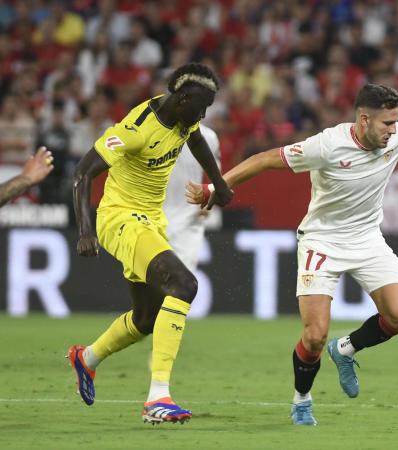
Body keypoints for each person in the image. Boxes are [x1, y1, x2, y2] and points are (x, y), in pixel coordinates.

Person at [186, 83, 398, 425]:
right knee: (314, 336)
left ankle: (346, 350)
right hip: (322, 241)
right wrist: (216, 186)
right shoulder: (327, 145)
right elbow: (265, 159)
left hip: (368, 240)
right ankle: (301, 400)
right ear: (363, 119)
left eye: (396, 122)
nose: (394, 130)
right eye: (387, 123)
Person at [68, 63, 233, 425]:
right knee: (185, 284)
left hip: (151, 221)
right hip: (120, 219)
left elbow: (196, 138)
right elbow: (82, 174)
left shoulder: (183, 116)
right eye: (201, 108)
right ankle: (158, 397)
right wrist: (85, 230)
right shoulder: (136, 129)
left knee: (146, 318)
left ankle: (87, 358)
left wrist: (218, 183)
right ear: (184, 98)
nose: (203, 116)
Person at [164, 123, 220, 273]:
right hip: (153, 215)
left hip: (189, 217)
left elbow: (217, 177)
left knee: (183, 278)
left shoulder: (209, 137)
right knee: (151, 283)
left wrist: (210, 200)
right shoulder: (151, 131)